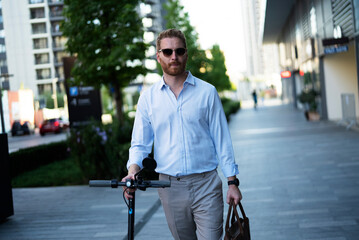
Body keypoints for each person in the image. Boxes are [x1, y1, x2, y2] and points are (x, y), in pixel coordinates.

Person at [123, 29, 242, 240]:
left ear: (186, 54)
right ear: (158, 56)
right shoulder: (148, 99)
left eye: (179, 51)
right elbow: (140, 144)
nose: (174, 56)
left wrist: (232, 182)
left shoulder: (207, 92)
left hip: (206, 185)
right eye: (167, 51)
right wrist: (133, 172)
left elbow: (222, 140)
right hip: (170, 187)